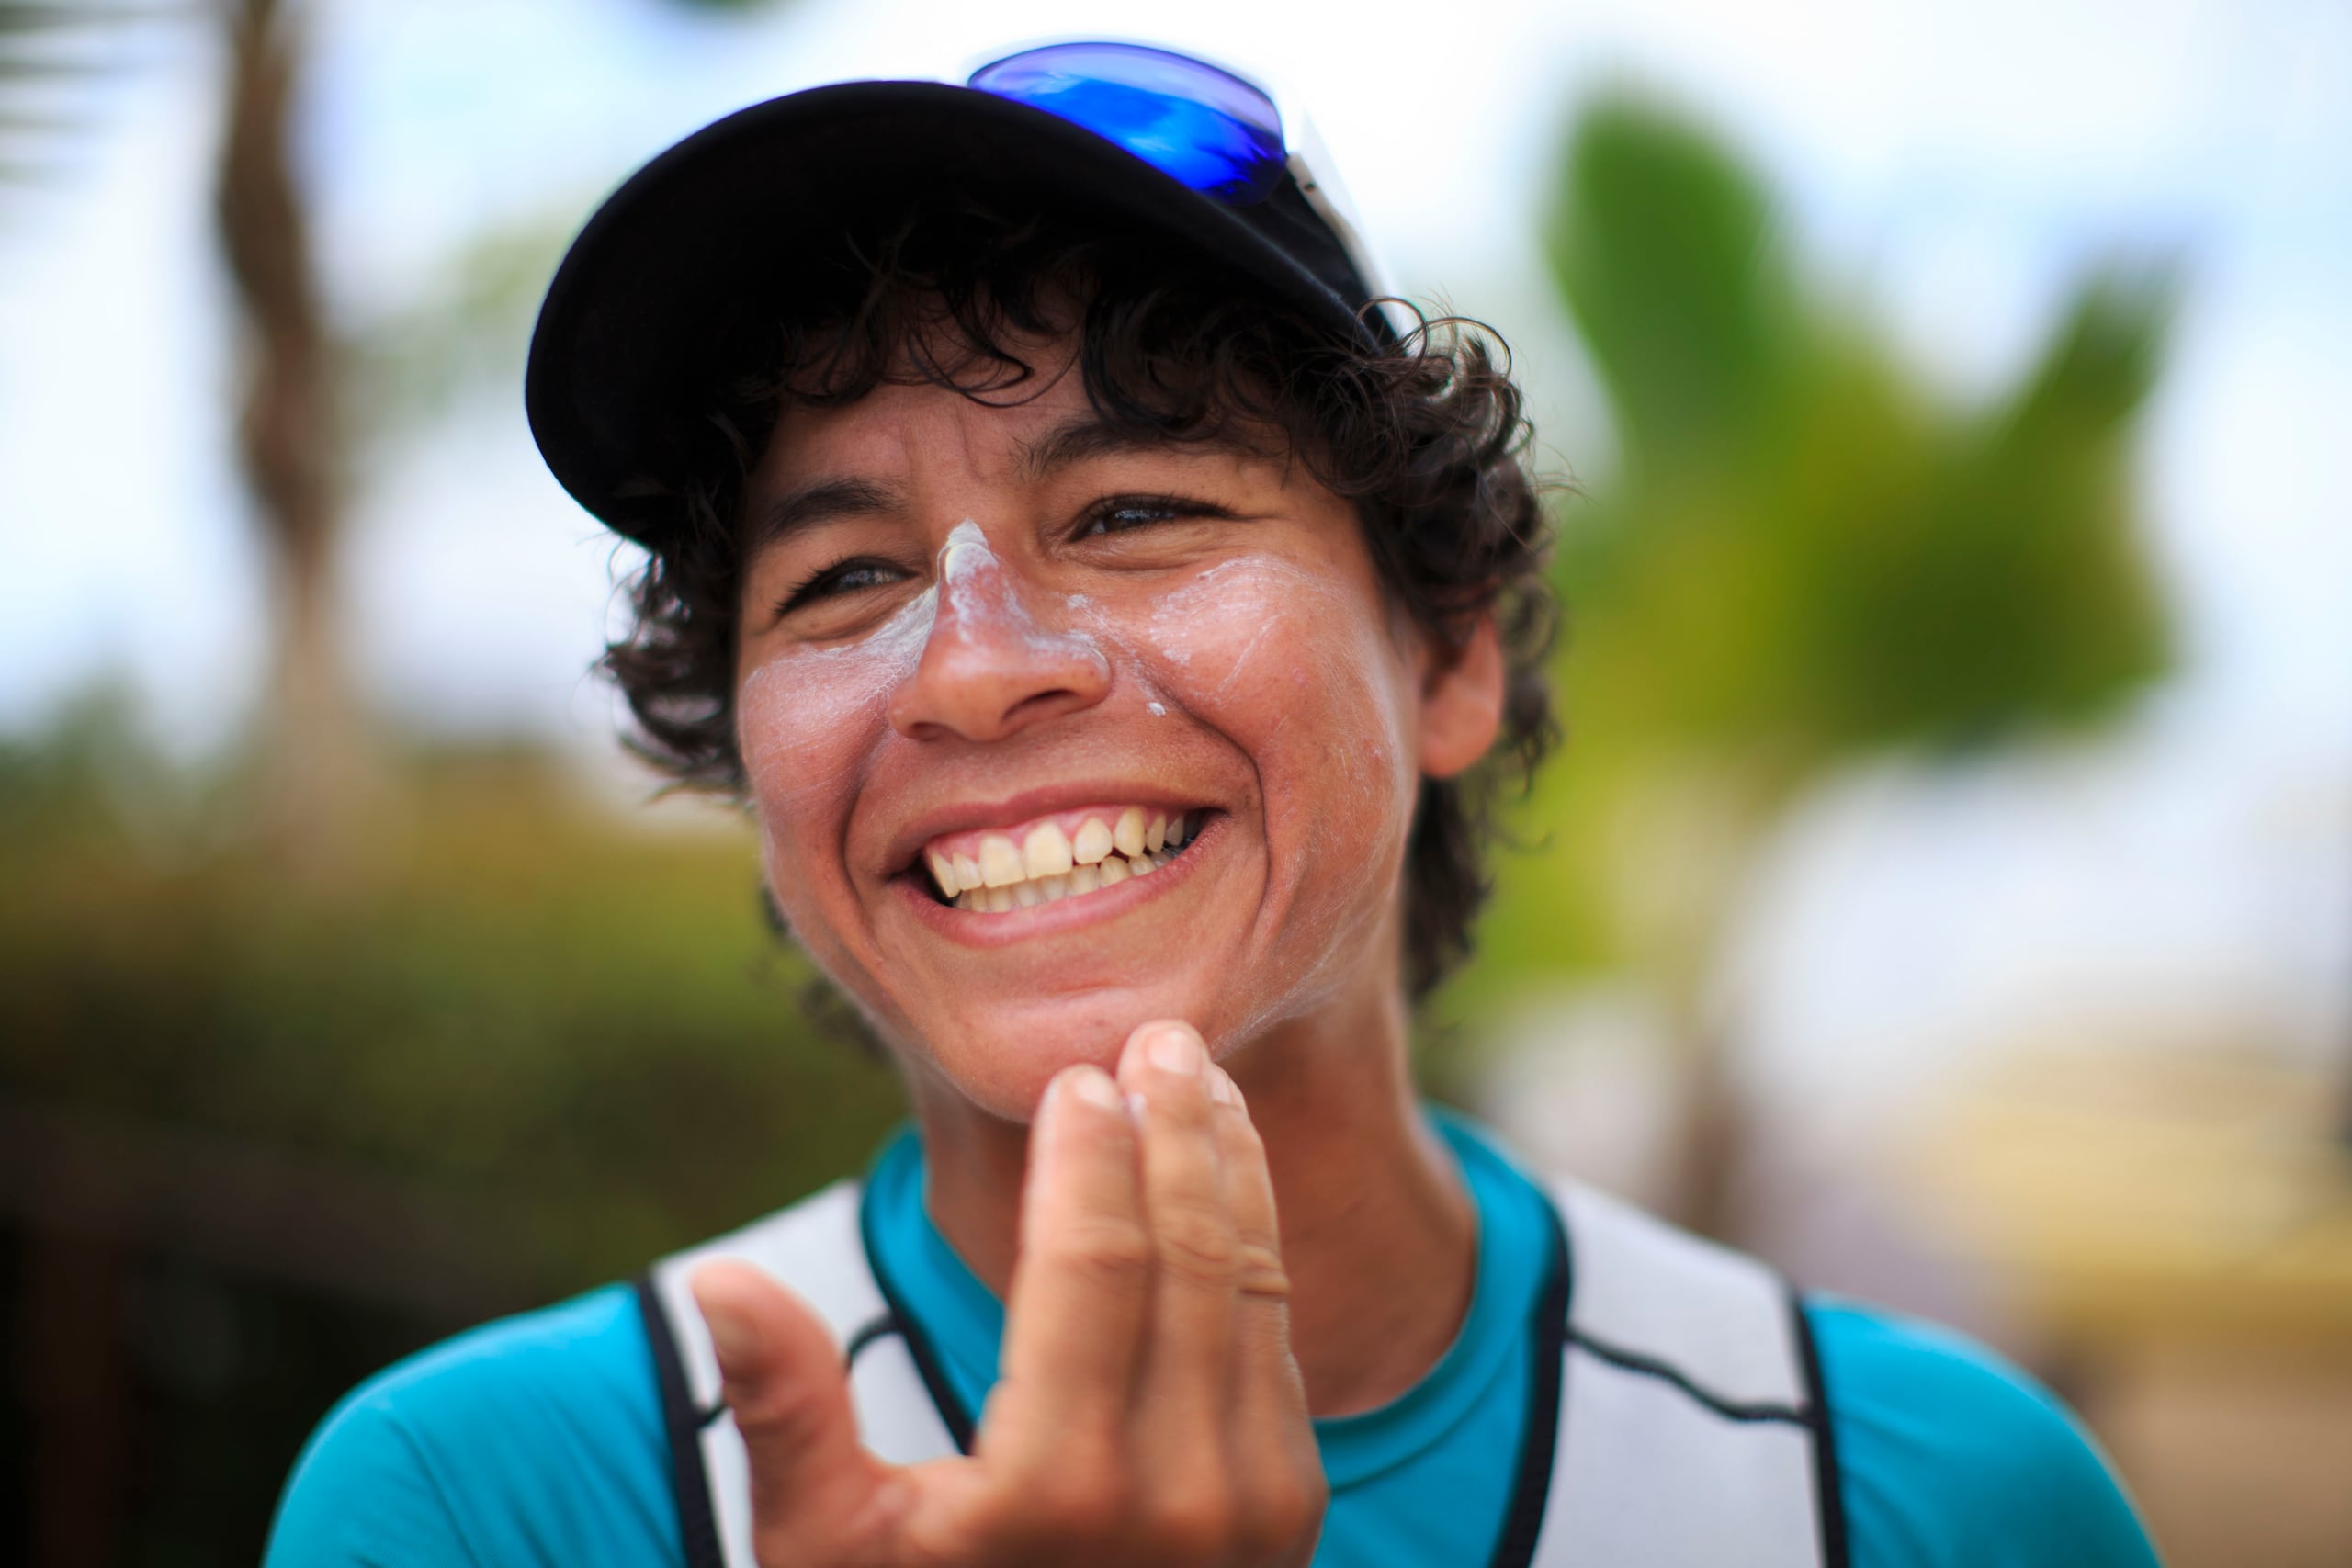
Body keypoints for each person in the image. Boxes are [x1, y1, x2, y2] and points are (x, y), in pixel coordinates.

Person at [266, 40, 2162, 1568]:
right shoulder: (485, 1502)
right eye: (839, 575)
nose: (970, 660)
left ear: (1444, 655)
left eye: (1129, 514)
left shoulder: (1919, 1501)